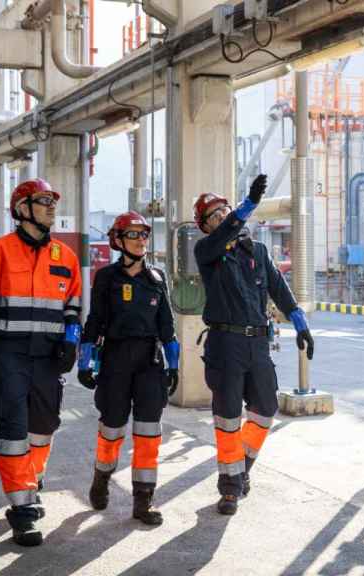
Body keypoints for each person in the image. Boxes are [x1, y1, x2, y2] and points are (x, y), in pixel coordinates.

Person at [0, 178, 82, 547]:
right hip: (9, 354)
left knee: (44, 427)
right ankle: (23, 510)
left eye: (53, 201)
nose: (51, 206)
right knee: (13, 429)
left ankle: (32, 479)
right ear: (22, 208)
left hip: (48, 358)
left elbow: (73, 309)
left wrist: (71, 343)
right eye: (43, 200)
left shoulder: (65, 257)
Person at [193, 174, 314, 515]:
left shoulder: (258, 252)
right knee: (229, 417)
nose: (221, 217)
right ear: (206, 226)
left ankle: (240, 467)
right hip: (225, 345)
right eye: (213, 215)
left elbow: (280, 290)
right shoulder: (206, 251)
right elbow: (227, 231)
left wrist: (301, 324)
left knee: (265, 408)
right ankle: (230, 488)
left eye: (224, 210)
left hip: (257, 344)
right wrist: (248, 205)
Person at [78, 211, 178, 526]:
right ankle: (101, 477)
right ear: (118, 240)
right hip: (115, 360)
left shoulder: (157, 278)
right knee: (112, 428)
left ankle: (143, 500)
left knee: (149, 432)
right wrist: (85, 361)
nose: (140, 240)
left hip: (150, 362)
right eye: (133, 234)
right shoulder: (106, 277)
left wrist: (173, 366)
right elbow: (94, 321)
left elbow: (168, 327)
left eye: (143, 234)